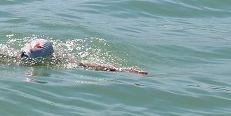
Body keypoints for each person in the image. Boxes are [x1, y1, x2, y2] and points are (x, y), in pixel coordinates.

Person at [18, 39, 147, 74]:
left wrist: (123, 69)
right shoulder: (18, 56)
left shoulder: (61, 61)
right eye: (25, 55)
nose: (25, 59)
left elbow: (87, 64)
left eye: (29, 58)